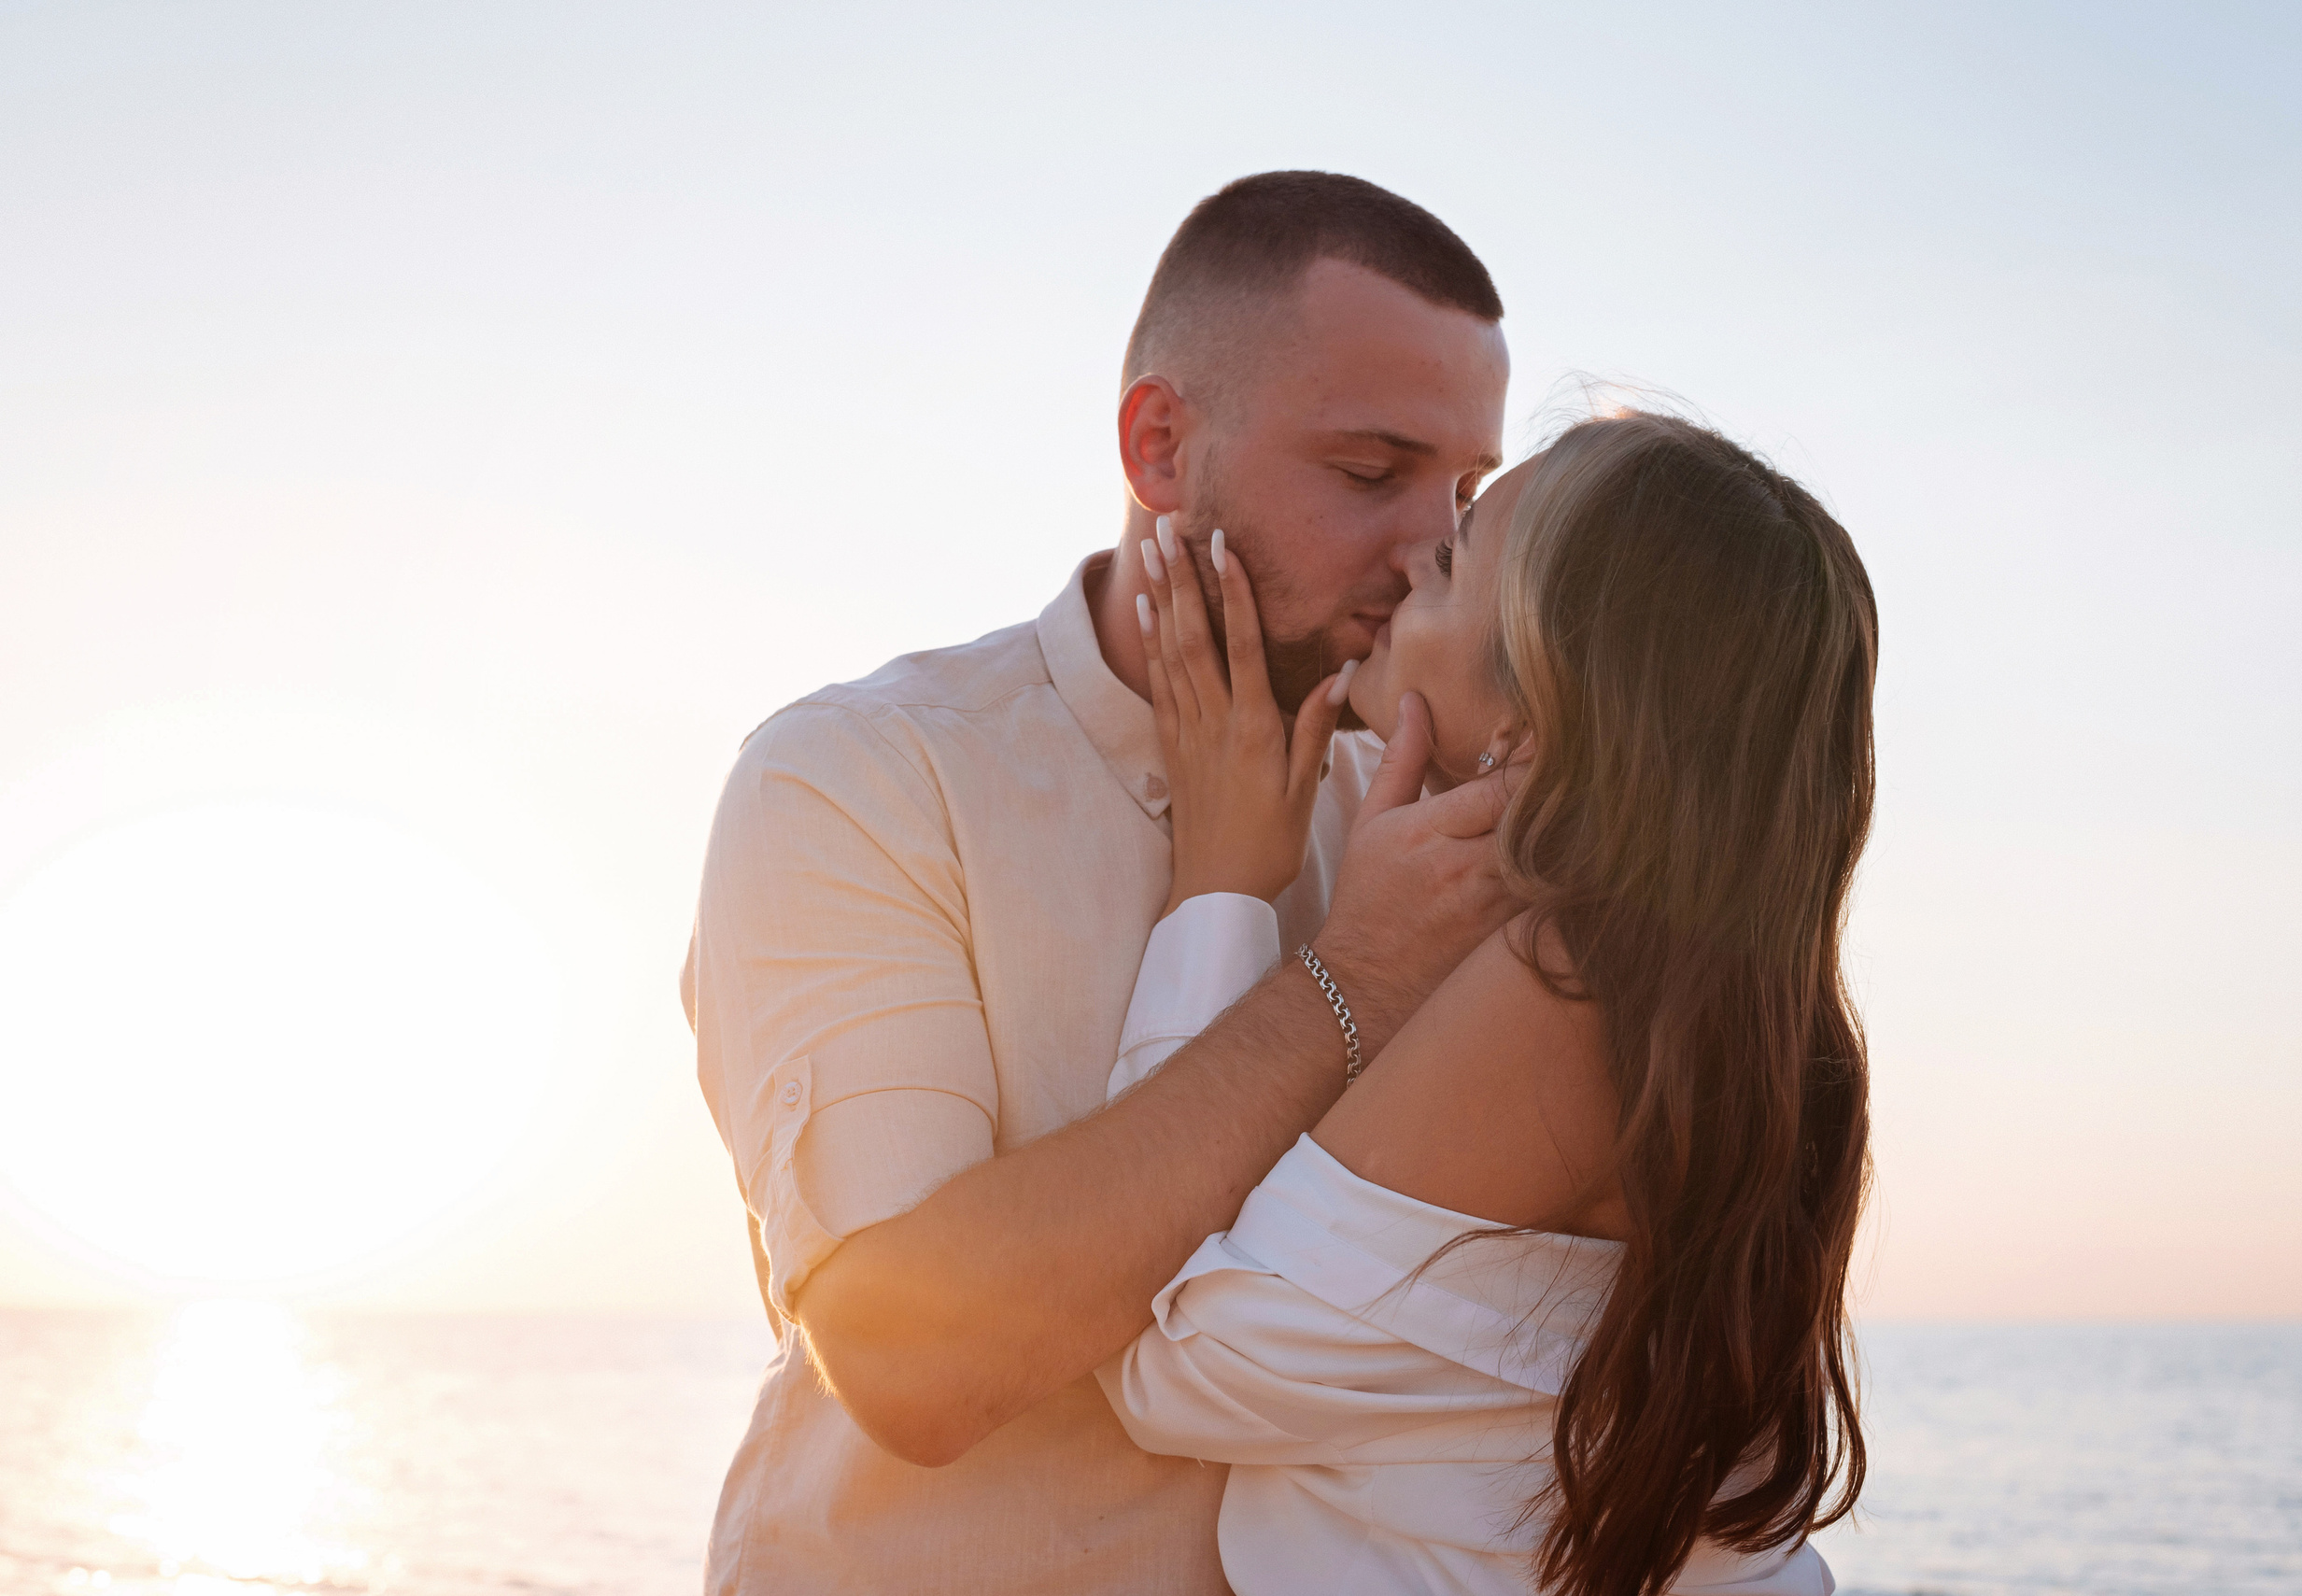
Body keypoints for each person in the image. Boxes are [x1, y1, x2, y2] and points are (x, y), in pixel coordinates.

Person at [684, 171, 1522, 1593]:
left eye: (1464, 494)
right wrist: (1351, 978)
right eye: (1370, 475)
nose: (1430, 546)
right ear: (1158, 445)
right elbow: (912, 1359)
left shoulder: (1424, 813)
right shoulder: (865, 780)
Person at [1098, 414, 1877, 1595]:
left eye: (1456, 556)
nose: (1413, 556)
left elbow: (1177, 1371)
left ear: (1534, 717)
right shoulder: (1741, 1002)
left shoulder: (1566, 982)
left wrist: (1216, 883)